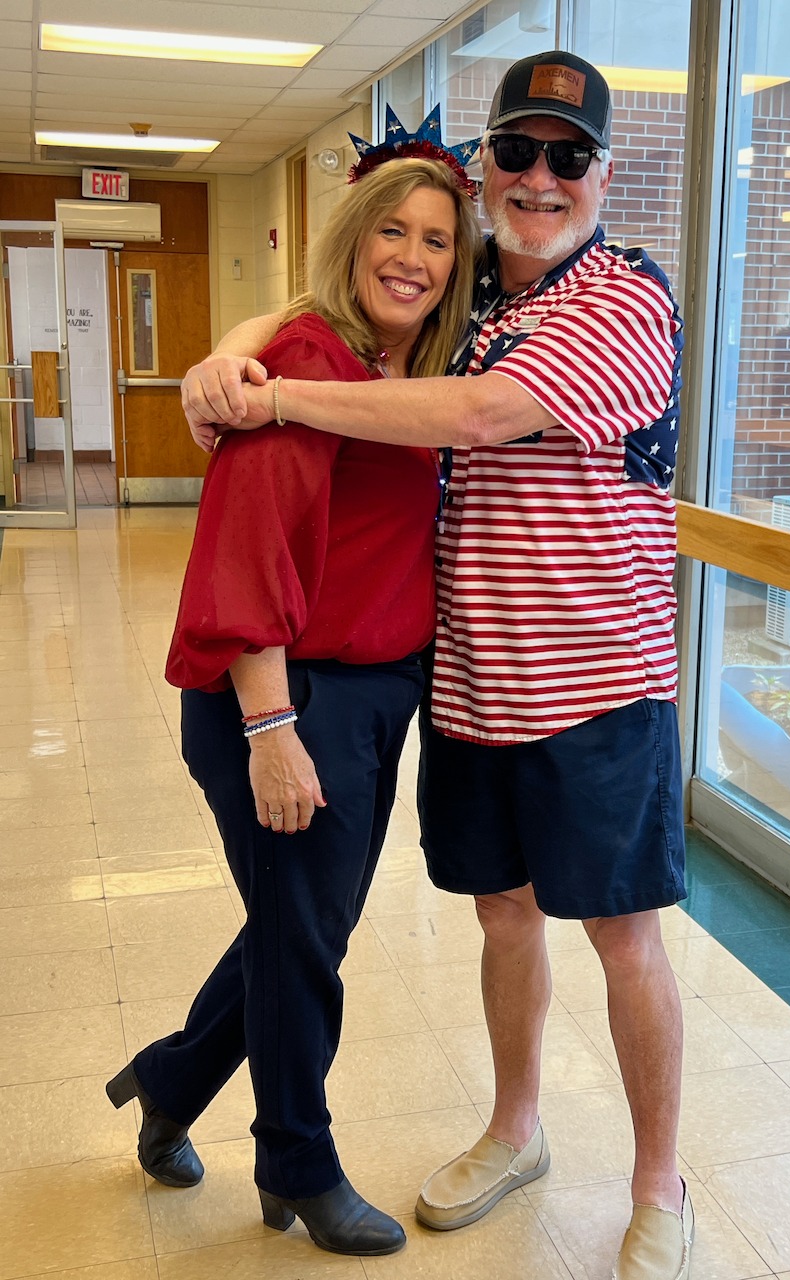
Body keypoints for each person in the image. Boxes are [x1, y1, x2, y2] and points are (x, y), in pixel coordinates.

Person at [182, 51, 693, 1280]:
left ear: (604, 175)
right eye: (517, 151)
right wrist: (235, 350)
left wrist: (274, 396)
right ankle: (517, 1128)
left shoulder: (624, 297)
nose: (539, 178)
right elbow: (338, 310)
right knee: (503, 917)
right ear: (486, 169)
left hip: (596, 688)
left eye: (569, 157)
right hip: (463, 688)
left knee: (624, 937)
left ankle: (659, 1181)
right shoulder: (465, 304)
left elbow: (474, 417)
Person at [105, 145, 481, 1259]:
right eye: (391, 230)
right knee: (305, 938)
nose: (412, 257)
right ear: (353, 238)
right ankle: (298, 1160)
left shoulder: (407, 368)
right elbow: (248, 550)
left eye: (436, 239)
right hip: (285, 694)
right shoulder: (307, 361)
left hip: (370, 695)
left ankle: (171, 1082)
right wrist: (272, 730)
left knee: (300, 927)